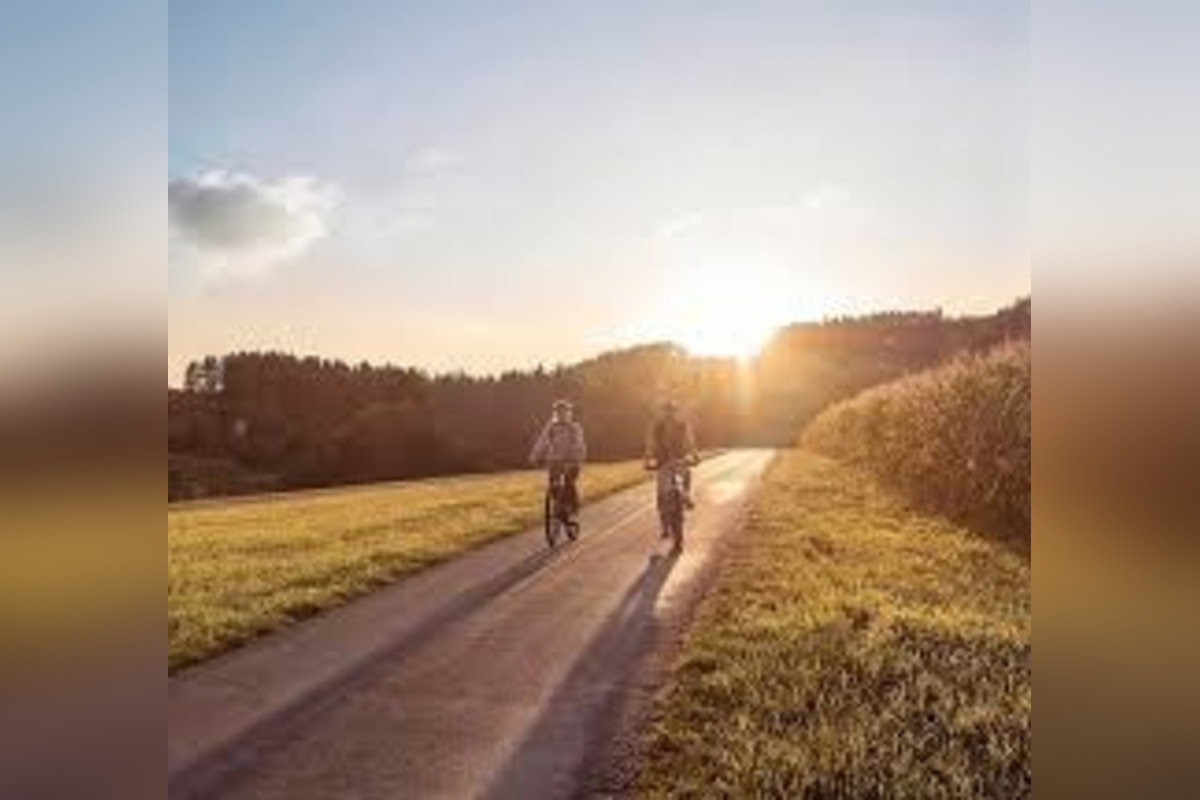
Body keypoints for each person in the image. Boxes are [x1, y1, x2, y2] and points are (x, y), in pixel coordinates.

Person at [645, 399, 699, 533]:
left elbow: (689, 441)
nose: (669, 414)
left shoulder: (674, 426)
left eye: (671, 411)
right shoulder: (668, 426)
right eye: (668, 411)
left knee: (667, 488)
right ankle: (684, 499)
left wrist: (648, 461)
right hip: (669, 462)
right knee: (664, 492)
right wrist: (695, 457)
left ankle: (685, 497)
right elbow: (651, 444)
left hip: (670, 462)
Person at [529, 399, 588, 516]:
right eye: (559, 412)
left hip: (572, 461)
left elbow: (579, 444)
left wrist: (576, 458)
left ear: (569, 413)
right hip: (554, 461)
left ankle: (572, 506)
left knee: (569, 483)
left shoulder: (574, 428)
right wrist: (535, 456)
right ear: (555, 413)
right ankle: (558, 507)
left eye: (564, 412)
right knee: (553, 485)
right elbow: (542, 442)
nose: (561, 415)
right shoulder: (551, 427)